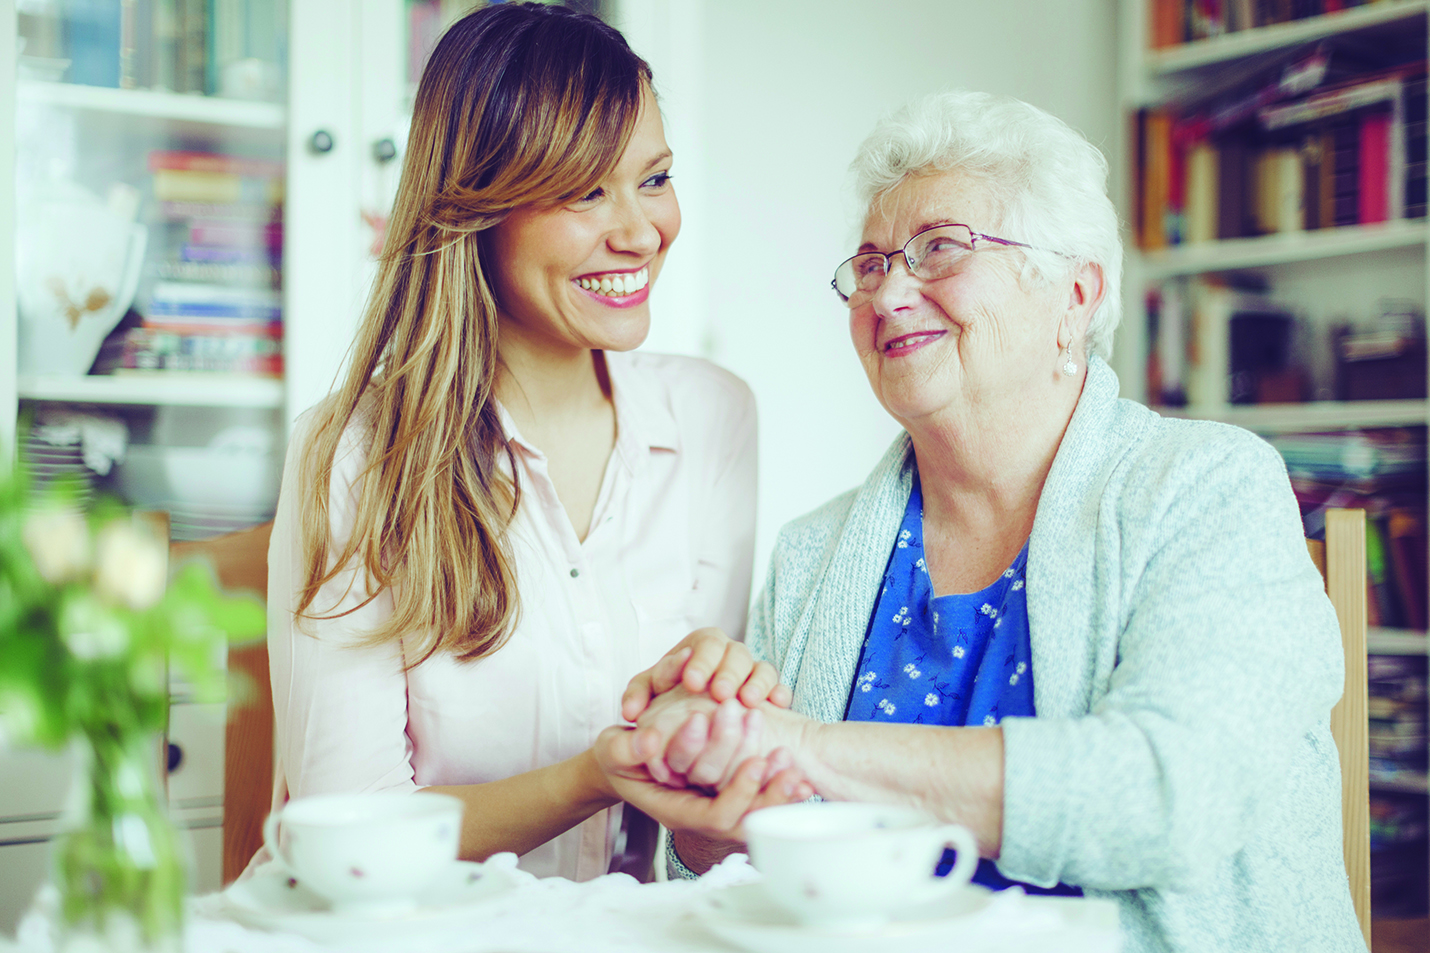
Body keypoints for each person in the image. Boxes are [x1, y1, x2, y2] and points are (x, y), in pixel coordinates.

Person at [614, 89, 1365, 952]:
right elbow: (745, 864)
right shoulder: (814, 549)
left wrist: (801, 744)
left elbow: (1168, 796)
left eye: (939, 250)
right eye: (869, 265)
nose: (888, 291)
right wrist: (712, 791)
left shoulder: (1207, 486)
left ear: (1075, 296)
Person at [265, 2, 801, 884]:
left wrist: (714, 752)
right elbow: (342, 837)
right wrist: (594, 776)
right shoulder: (353, 452)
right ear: (477, 209)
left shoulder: (714, 417)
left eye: (655, 178)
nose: (640, 231)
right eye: (586, 191)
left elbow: (700, 833)